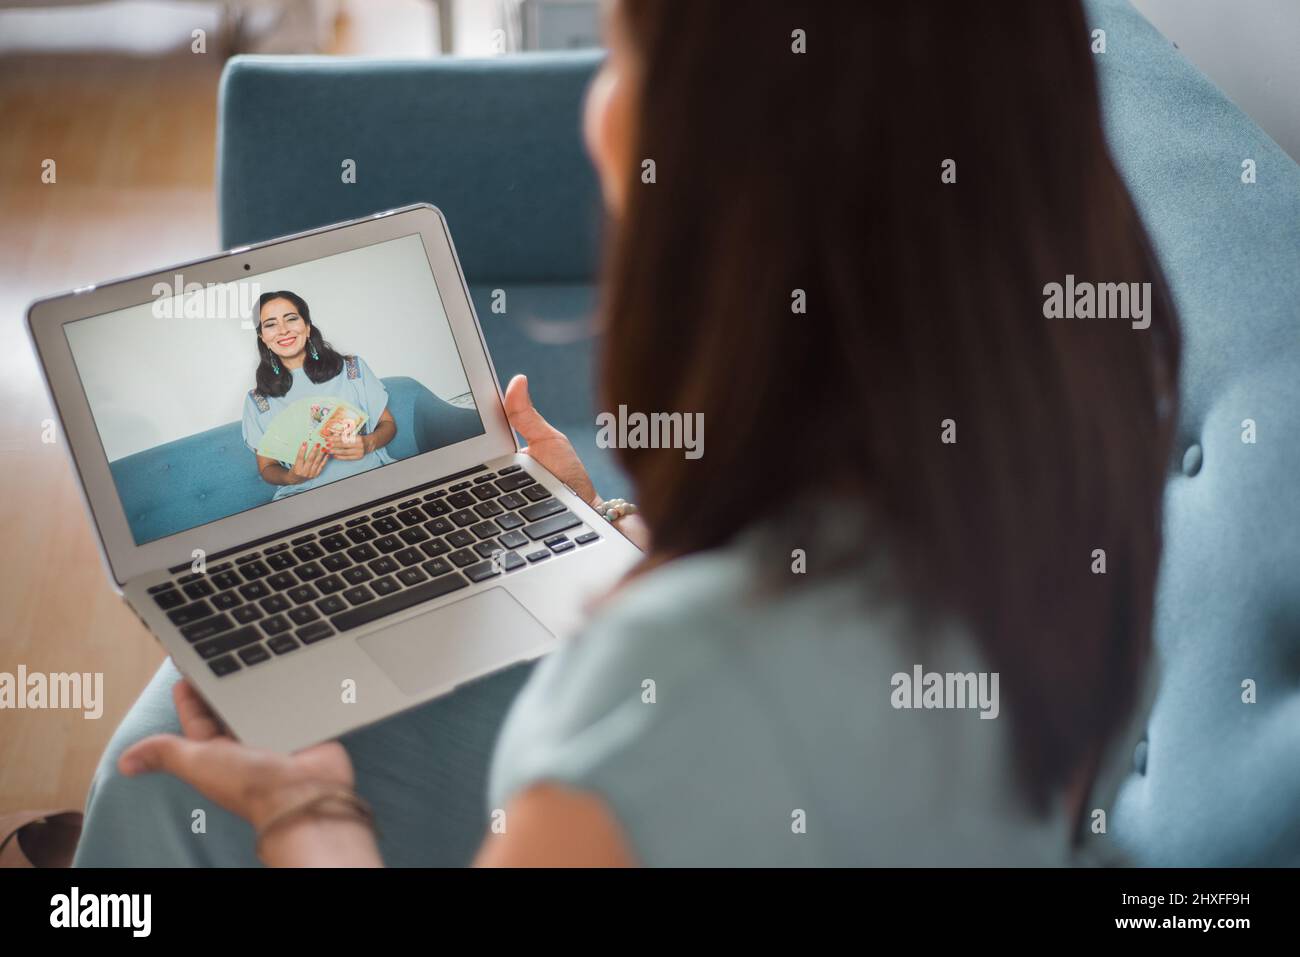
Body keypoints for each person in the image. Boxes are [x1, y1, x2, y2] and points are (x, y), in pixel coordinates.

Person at [74, 0, 1179, 867]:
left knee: (166, 762)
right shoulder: (1069, 459)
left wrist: (304, 811)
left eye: (618, 48)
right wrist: (597, 518)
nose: (596, 108)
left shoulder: (658, 695)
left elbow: (721, 694)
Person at [242, 290, 397, 500]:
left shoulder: (352, 369)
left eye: (291, 319)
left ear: (306, 326)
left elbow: (388, 424)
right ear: (263, 337)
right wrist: (291, 477)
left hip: (373, 480)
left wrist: (369, 442)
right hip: (306, 497)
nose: (283, 330)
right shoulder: (258, 401)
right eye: (270, 324)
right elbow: (267, 467)